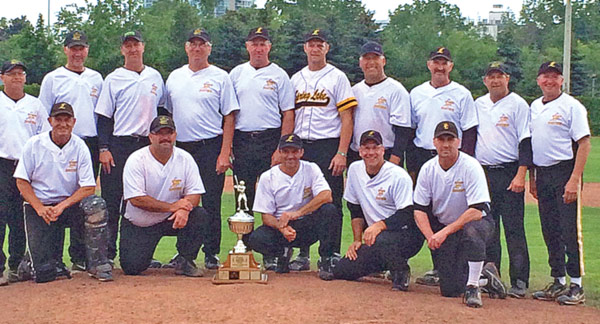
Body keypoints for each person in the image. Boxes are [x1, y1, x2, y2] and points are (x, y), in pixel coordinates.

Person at [165, 28, 238, 270]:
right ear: (186, 47)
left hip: (210, 145)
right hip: (182, 148)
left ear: (209, 47)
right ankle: (184, 253)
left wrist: (225, 152)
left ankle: (211, 252)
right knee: (183, 200)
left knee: (211, 202)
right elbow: (167, 115)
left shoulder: (220, 76)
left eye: (202, 44)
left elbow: (229, 116)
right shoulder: (175, 77)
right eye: (193, 43)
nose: (197, 48)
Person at [14, 102, 112, 283]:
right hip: (40, 206)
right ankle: (30, 262)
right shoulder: (34, 144)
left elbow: (88, 187)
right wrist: (40, 208)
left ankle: (98, 264)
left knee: (96, 206)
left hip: (69, 205)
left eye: (67, 120)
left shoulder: (80, 146)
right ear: (50, 121)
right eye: (58, 119)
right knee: (44, 274)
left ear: (74, 122)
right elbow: (22, 181)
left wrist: (61, 206)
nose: (63, 124)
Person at [413, 121, 506, 308]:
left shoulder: (470, 166)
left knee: (472, 231)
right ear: (434, 142)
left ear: (459, 142)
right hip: (447, 228)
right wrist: (431, 237)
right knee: (450, 289)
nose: (446, 144)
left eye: (450, 139)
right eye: (441, 139)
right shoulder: (428, 169)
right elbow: (419, 209)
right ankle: (485, 278)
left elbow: (476, 210)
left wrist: (444, 232)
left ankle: (473, 287)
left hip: (476, 222)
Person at [289, 29, 357, 270]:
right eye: (311, 44)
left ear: (327, 48)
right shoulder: (296, 78)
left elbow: (346, 117)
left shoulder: (337, 77)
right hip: (300, 146)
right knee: (301, 197)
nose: (315, 48)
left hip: (328, 145)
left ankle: (330, 253)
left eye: (320, 44)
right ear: (305, 48)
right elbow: (289, 114)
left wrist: (341, 152)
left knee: (331, 200)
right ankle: (302, 253)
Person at [95, 30, 166, 263]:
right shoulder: (113, 78)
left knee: (144, 200)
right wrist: (103, 148)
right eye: (128, 45)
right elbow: (104, 117)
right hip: (120, 144)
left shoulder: (155, 76)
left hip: (147, 145)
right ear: (122, 50)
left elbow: (162, 113)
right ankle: (106, 255)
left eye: (136, 44)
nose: (132, 49)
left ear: (143, 47)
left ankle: (144, 253)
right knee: (112, 200)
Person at [410, 47, 478, 286]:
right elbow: (412, 130)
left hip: (453, 156)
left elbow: (469, 130)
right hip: (423, 156)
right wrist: (411, 166)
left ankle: (468, 266)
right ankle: (438, 265)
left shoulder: (461, 93)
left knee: (455, 209)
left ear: (451, 66)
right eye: (436, 62)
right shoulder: (417, 93)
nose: (440, 66)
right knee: (428, 210)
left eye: (444, 63)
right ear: (429, 65)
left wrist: (464, 161)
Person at [38, 30, 104, 272]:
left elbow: (102, 115)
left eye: (81, 48)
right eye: (73, 48)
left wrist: (104, 146)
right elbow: (43, 114)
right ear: (65, 50)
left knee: (84, 199)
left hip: (90, 142)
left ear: (87, 50)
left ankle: (80, 256)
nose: (77, 52)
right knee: (55, 194)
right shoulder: (53, 78)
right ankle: (51, 256)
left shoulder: (97, 78)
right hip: (59, 143)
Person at [529, 62, 591, 306]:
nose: (549, 81)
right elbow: (532, 144)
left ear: (561, 81)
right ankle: (558, 279)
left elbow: (584, 144)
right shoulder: (534, 106)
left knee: (568, 230)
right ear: (538, 80)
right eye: (545, 76)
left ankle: (576, 283)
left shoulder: (572, 106)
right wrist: (532, 178)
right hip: (542, 173)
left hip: (565, 171)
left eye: (554, 77)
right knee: (549, 229)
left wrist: (574, 180)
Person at [333, 130, 423, 291]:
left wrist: (379, 225)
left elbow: (407, 214)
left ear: (383, 150)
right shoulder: (354, 170)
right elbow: (355, 209)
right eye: (366, 148)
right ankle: (383, 263)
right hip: (374, 238)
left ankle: (401, 271)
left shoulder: (398, 175)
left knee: (383, 238)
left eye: (375, 148)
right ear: (360, 151)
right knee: (342, 270)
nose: (371, 152)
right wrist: (356, 240)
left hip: (407, 236)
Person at [119, 115, 208, 277]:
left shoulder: (185, 158)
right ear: (151, 136)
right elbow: (136, 199)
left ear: (175, 135)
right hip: (141, 222)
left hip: (172, 219)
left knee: (199, 215)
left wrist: (184, 209)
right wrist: (173, 206)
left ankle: (185, 260)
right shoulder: (137, 160)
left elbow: (195, 194)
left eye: (169, 133)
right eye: (160, 133)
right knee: (132, 267)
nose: (165, 137)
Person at [475, 62, 531, 298]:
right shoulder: (479, 104)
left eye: (500, 76)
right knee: (488, 227)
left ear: (507, 78)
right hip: (484, 172)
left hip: (509, 172)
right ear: (485, 80)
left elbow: (526, 142)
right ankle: (491, 276)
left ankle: (519, 280)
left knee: (513, 228)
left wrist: (521, 174)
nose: (495, 80)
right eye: (491, 76)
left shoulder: (518, 104)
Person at [248, 134, 338, 280]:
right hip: (281, 227)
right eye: (286, 151)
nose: (290, 156)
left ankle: (326, 260)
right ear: (280, 152)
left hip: (306, 225)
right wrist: (281, 227)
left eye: (294, 151)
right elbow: (266, 216)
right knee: (257, 239)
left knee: (329, 210)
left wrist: (297, 213)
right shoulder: (268, 177)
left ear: (301, 152)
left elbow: (326, 195)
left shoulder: (311, 168)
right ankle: (282, 253)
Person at [229, 27, 295, 212]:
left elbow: (288, 113)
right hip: (242, 140)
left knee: (275, 196)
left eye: (262, 44)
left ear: (269, 47)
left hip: (270, 139)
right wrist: (229, 145)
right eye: (254, 44)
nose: (258, 48)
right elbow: (230, 113)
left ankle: (273, 240)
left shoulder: (279, 75)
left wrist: (280, 148)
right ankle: (244, 240)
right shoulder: (236, 74)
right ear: (247, 46)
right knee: (243, 198)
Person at [0, 60, 50, 286]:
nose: (17, 78)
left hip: (26, 166)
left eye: (20, 73)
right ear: (2, 77)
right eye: (11, 74)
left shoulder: (35, 105)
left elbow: (44, 138)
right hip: (1, 163)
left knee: (20, 218)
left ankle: (17, 265)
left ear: (25, 78)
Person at [349, 41, 411, 167]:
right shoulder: (354, 91)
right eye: (367, 58)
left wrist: (396, 157)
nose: (371, 62)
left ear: (383, 61)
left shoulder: (396, 90)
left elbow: (403, 130)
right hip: (358, 155)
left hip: (386, 155)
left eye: (375, 58)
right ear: (360, 63)